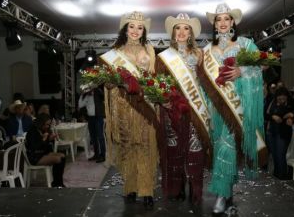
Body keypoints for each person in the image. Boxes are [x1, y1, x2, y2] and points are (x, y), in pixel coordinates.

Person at [200, 3, 265, 214]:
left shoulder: (246, 44)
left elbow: (261, 66)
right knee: (221, 148)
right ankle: (227, 192)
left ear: (233, 22)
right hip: (215, 108)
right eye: (219, 20)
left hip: (238, 106)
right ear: (215, 25)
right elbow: (201, 80)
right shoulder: (207, 50)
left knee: (228, 147)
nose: (223, 23)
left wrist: (242, 71)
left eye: (226, 19)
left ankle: (221, 195)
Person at [100, 11, 158, 209]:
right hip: (123, 105)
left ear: (144, 31)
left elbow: (154, 78)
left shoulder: (149, 50)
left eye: (139, 27)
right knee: (127, 146)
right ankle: (131, 187)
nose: (135, 30)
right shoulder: (115, 53)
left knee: (144, 145)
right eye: (131, 26)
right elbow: (108, 84)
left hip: (143, 105)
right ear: (125, 29)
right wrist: (109, 82)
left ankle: (147, 189)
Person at [157, 13, 209, 205]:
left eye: (186, 28)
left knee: (195, 149)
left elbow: (206, 82)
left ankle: (195, 189)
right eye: (178, 28)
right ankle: (176, 189)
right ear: (173, 32)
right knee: (174, 150)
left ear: (191, 33)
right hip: (172, 110)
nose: (181, 32)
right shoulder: (164, 57)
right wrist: (162, 100)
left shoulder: (199, 54)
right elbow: (159, 84)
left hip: (195, 109)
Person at [266, 87, 294, 180]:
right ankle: (276, 178)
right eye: (279, 99)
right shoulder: (272, 102)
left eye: (283, 99)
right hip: (271, 132)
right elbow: (265, 115)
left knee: (280, 156)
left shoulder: (291, 102)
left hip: (283, 133)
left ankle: (283, 179)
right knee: (275, 156)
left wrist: (291, 116)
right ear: (276, 97)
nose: (281, 101)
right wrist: (273, 117)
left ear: (287, 97)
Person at [25, 113, 66, 187]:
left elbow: (46, 147)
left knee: (63, 156)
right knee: (58, 159)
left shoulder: (43, 130)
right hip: (34, 156)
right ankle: (57, 184)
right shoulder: (32, 131)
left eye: (49, 124)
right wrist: (44, 140)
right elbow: (35, 147)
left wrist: (50, 139)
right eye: (46, 124)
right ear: (41, 123)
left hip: (42, 153)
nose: (48, 126)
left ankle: (58, 182)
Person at [78, 87, 105, 163]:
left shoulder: (98, 93)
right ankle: (96, 154)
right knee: (93, 137)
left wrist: (95, 89)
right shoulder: (86, 96)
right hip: (90, 118)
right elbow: (80, 105)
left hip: (98, 117)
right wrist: (82, 94)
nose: (87, 89)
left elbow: (103, 96)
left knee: (100, 136)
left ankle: (102, 155)